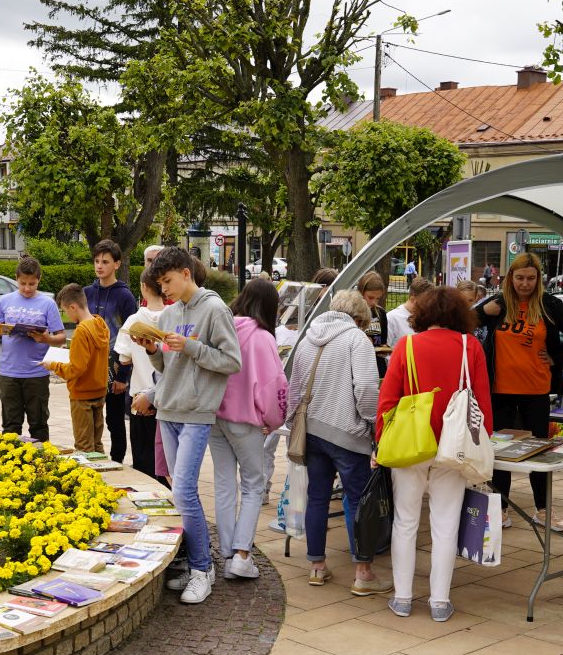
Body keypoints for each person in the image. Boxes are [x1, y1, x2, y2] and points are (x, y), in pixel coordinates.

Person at [378, 286, 493, 622]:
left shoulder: (406, 346)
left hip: (410, 443)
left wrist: (380, 442)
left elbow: (387, 401)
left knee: (406, 520)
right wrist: (482, 440)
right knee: (445, 523)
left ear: (421, 313)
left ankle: (402, 598)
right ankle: (439, 601)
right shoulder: (469, 346)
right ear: (460, 314)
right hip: (454, 446)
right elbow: (482, 403)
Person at [137, 247, 242, 605]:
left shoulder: (214, 309)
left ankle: (202, 568)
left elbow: (232, 362)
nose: (163, 289)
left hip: (197, 413)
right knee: (179, 492)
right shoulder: (168, 315)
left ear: (185, 273)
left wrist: (193, 348)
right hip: (169, 410)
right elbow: (167, 368)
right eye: (160, 283)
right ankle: (194, 564)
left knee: (183, 491)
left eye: (167, 281)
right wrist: (152, 349)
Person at [284, 289, 387, 595]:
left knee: (317, 497)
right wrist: (371, 423)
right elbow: (367, 389)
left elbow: (295, 386)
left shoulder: (308, 338)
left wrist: (294, 423)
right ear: (358, 318)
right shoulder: (357, 340)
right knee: (358, 500)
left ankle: (316, 567)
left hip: (312, 430)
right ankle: (363, 573)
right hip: (347, 432)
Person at [478, 253, 563, 533]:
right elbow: (465, 322)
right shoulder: (498, 305)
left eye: (531, 278)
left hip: (536, 390)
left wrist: (557, 356)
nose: (525, 284)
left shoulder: (548, 305)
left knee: (539, 451)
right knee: (500, 453)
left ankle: (543, 509)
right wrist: (481, 312)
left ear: (539, 280)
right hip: (500, 390)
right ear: (510, 278)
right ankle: (500, 509)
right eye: (520, 277)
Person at [211, 278, 287, 581]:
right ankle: (242, 555)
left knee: (224, 484)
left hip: (216, 416)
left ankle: (229, 550)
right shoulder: (262, 338)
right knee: (254, 485)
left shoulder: (224, 328)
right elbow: (274, 386)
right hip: (246, 421)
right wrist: (274, 420)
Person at [0, 256, 65, 441]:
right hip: (9, 372)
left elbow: (60, 336)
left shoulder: (47, 304)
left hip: (37, 372)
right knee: (11, 426)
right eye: (22, 284)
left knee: (39, 424)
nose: (27, 289)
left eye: (32, 284)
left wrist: (46, 338)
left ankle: (42, 464)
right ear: (16, 279)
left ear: (39, 280)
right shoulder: (4, 301)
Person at [86, 241, 139, 462]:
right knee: (90, 418)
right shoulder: (87, 292)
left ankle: (117, 461)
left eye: (105, 262)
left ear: (117, 264)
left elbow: (131, 336)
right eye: (97, 261)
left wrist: (122, 377)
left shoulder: (124, 296)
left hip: (115, 367)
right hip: (90, 367)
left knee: (114, 420)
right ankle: (90, 457)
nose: (100, 266)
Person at [47, 282, 110, 454]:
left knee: (83, 447)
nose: (66, 315)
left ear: (73, 307)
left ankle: (88, 479)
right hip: (99, 390)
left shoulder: (81, 331)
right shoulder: (100, 324)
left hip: (82, 394)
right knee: (97, 445)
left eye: (65, 311)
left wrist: (52, 365)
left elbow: (76, 369)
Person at [118, 273, 166, 479]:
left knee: (143, 459)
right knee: (167, 462)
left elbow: (124, 360)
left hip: (140, 399)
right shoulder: (175, 316)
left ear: (143, 287)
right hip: (167, 397)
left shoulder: (133, 321)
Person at [385, 277, 433, 347]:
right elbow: (384, 351)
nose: (428, 305)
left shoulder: (428, 317)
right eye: (425, 302)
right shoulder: (392, 318)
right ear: (413, 299)